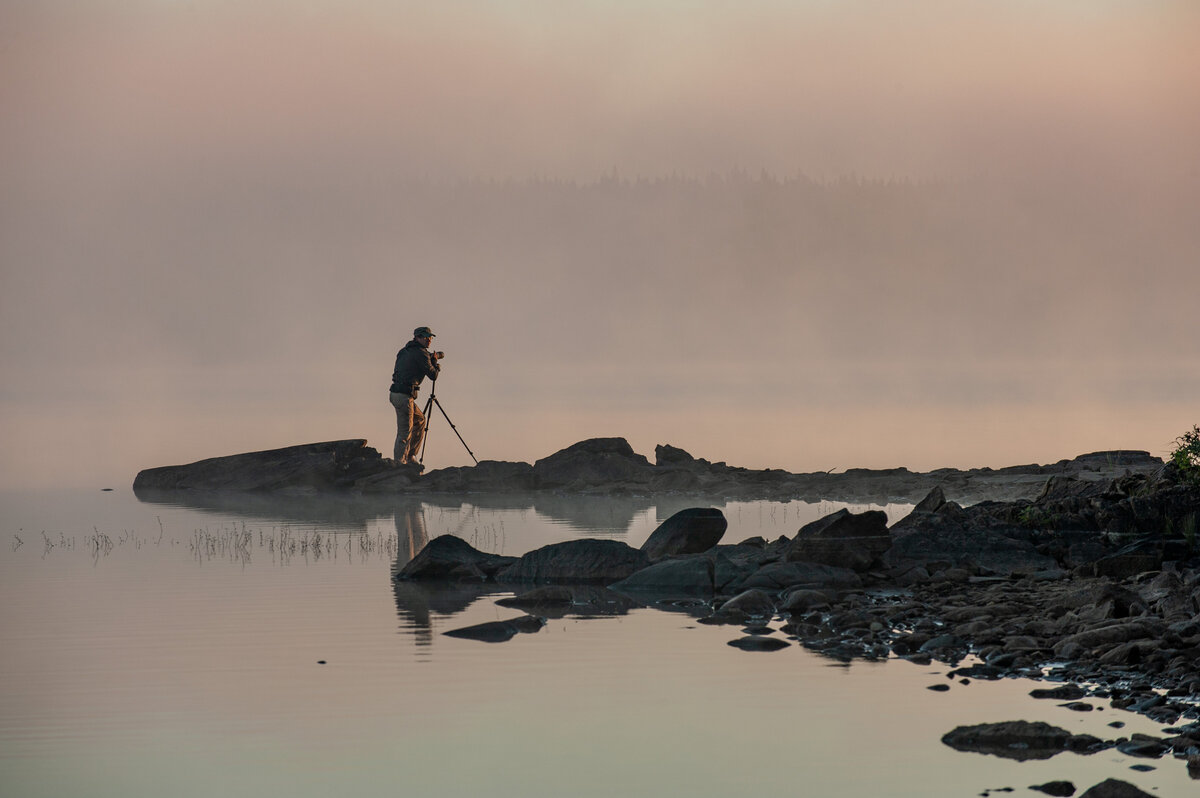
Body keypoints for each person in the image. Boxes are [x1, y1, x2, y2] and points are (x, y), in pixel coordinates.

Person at [389, 326, 444, 465]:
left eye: (430, 337)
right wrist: (435, 362)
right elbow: (433, 375)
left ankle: (410, 456)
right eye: (425, 337)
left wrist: (429, 359)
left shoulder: (404, 351)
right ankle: (400, 463)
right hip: (404, 396)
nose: (429, 340)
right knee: (404, 431)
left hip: (397, 394)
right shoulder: (421, 353)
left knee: (420, 421)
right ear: (417, 337)